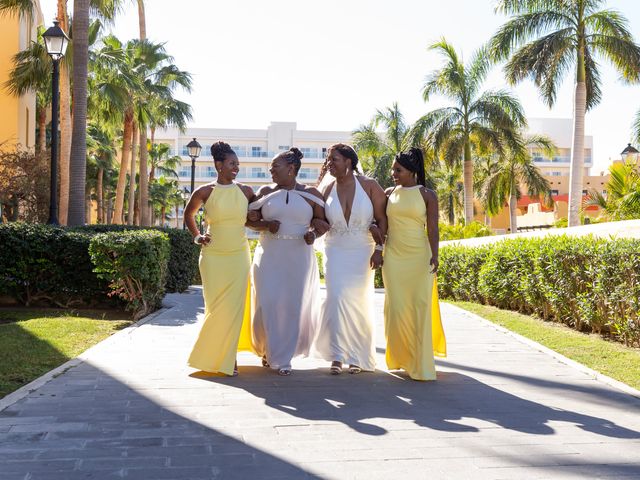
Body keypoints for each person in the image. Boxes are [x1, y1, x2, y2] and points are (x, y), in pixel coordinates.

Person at [247, 148, 327, 376]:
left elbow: (321, 223)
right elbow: (249, 220)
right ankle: (267, 348)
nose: (270, 170)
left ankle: (282, 359)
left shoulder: (312, 194)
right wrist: (264, 225)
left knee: (291, 305)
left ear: (291, 169)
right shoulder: (264, 191)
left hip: (298, 255)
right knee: (268, 302)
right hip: (269, 253)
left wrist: (314, 234)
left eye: (275, 167)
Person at [311, 143, 387, 374]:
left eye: (334, 159)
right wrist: (313, 228)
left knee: (358, 300)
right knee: (336, 298)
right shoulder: (326, 189)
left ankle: (356, 356)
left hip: (363, 249)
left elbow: (383, 219)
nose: (329, 164)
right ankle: (337, 354)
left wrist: (380, 248)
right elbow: (318, 220)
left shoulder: (370, 186)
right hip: (335, 250)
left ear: (349, 162)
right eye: (328, 159)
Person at [185, 141, 255, 377]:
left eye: (237, 164)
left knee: (233, 307)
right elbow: (189, 214)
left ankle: (229, 356)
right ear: (219, 165)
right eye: (232, 163)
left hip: (238, 255)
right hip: (213, 256)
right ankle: (216, 354)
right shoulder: (205, 191)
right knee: (216, 307)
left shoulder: (245, 191)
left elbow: (256, 216)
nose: (236, 167)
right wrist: (198, 236)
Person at [381, 147, 447, 381]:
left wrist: (435, 255)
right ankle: (400, 358)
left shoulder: (427, 195)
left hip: (420, 257)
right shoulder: (389, 193)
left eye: (398, 169)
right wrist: (378, 248)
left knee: (419, 307)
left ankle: (420, 363)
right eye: (393, 169)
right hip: (393, 258)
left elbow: (433, 229)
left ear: (412, 171)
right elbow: (382, 225)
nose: (393, 173)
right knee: (397, 309)